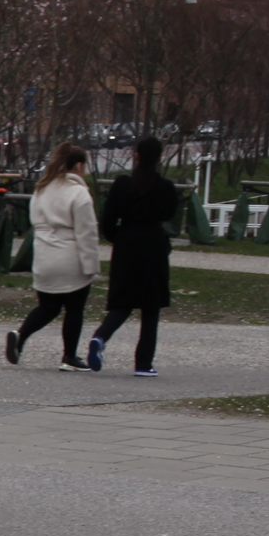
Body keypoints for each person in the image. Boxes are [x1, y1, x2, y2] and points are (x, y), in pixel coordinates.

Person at [89, 133, 184, 377]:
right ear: (159, 157)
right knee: (150, 308)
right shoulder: (165, 188)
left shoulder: (122, 185)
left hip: (127, 244)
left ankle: (100, 336)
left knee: (123, 302)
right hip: (153, 245)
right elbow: (170, 215)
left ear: (137, 156)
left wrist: (117, 236)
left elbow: (108, 218)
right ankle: (143, 363)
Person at [9, 141, 98, 371]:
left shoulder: (42, 189)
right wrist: (91, 265)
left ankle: (21, 334)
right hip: (69, 256)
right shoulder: (79, 194)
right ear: (79, 165)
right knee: (74, 308)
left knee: (48, 307)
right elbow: (87, 233)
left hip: (44, 254)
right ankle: (69, 356)